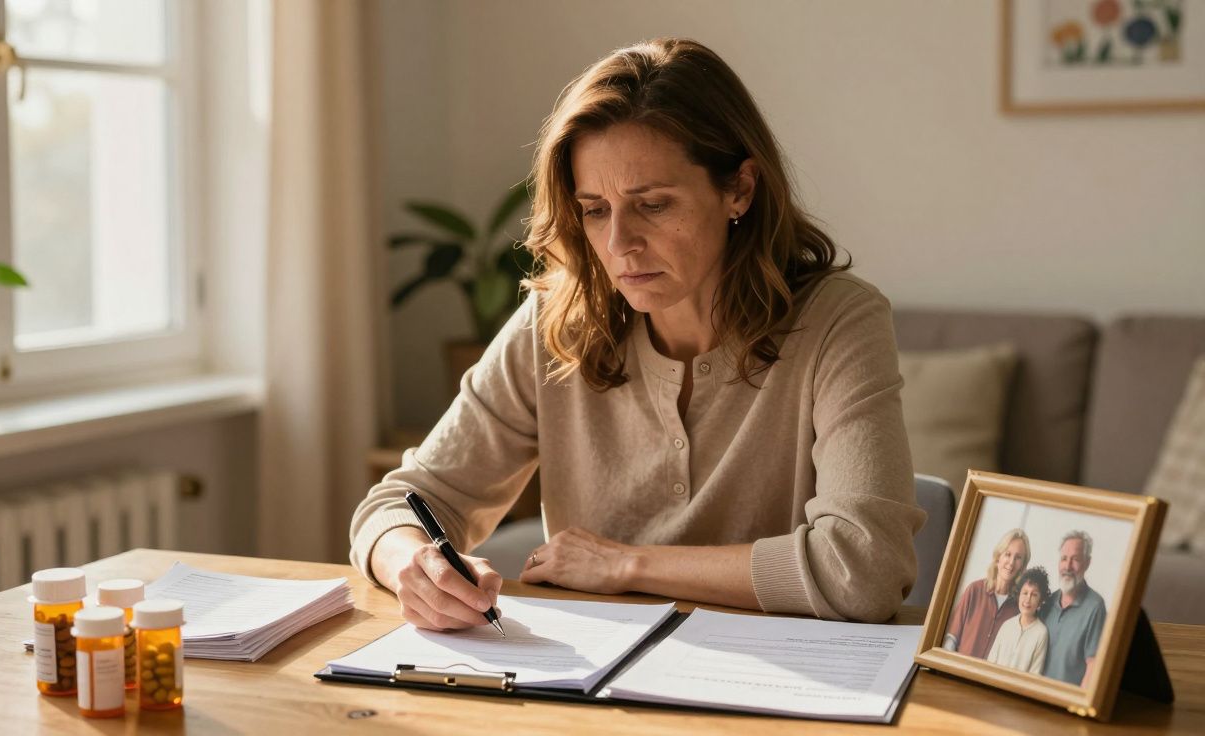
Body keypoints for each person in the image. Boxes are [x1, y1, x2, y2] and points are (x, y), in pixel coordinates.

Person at [349, 38, 925, 632]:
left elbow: (864, 570)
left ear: (740, 191)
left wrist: (627, 565)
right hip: (596, 692)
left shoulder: (837, 321)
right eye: (595, 210)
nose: (620, 245)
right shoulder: (555, 321)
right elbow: (400, 502)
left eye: (651, 204)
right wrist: (410, 561)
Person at [943, 528, 1030, 658]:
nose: (1011, 562)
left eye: (1018, 558)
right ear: (998, 557)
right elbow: (951, 639)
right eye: (1007, 554)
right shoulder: (974, 590)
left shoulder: (1020, 608)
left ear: (1022, 566)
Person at [1040, 530, 1107, 687]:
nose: (1068, 566)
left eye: (1075, 559)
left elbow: (1094, 664)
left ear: (1087, 563)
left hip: (1065, 701)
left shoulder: (1095, 606)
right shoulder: (1047, 602)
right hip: (1036, 694)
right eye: (1064, 559)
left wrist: (1078, 703)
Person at [987, 566, 1051, 675]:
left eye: (1034, 595)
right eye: (1025, 593)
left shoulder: (1041, 633)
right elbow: (991, 662)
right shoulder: (1006, 625)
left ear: (1040, 601)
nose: (1028, 599)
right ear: (1018, 595)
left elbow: (1035, 674)